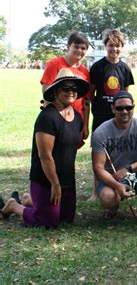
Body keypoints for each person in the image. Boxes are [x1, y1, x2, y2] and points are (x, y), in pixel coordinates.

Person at [1, 69, 90, 227]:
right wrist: (55, 184)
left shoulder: (77, 117)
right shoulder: (47, 118)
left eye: (74, 88)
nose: (71, 92)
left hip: (67, 179)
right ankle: (14, 206)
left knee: (66, 218)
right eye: (66, 88)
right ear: (56, 91)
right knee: (48, 221)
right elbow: (45, 156)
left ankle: (31, 200)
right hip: (46, 179)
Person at [91, 91, 137, 226]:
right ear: (113, 108)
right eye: (120, 108)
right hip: (112, 178)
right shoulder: (101, 132)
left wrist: (129, 168)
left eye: (128, 108)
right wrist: (117, 185)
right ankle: (113, 207)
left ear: (133, 107)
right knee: (108, 199)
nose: (124, 111)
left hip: (133, 176)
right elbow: (98, 168)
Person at [88, 29, 135, 202]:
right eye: (110, 45)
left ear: (121, 47)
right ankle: (95, 191)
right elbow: (91, 94)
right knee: (98, 153)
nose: (113, 49)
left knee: (119, 150)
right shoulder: (97, 67)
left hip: (119, 118)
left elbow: (126, 96)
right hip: (101, 116)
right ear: (105, 46)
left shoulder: (124, 69)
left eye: (117, 46)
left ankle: (123, 185)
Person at [40, 31, 91, 145]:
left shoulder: (84, 71)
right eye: (76, 46)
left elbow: (86, 101)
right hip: (58, 119)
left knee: (69, 155)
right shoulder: (55, 64)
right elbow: (46, 93)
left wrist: (85, 125)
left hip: (76, 120)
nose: (79, 50)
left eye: (83, 48)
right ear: (68, 46)